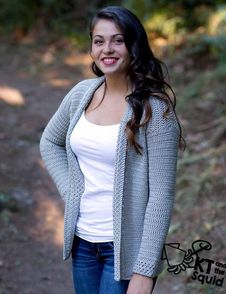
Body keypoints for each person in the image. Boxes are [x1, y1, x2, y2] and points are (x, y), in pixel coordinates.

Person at [40, 5, 185, 294]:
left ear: (134, 46)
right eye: (99, 40)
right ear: (92, 48)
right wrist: (71, 189)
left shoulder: (156, 111)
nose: (108, 48)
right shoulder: (82, 94)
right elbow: (49, 142)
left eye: (118, 40)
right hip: (82, 245)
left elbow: (161, 195)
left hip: (126, 251)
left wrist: (144, 270)